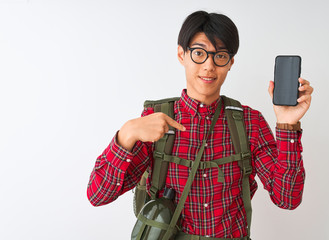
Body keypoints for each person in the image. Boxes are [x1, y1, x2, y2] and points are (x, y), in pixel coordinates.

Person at [87, 10, 313, 239]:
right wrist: (127, 134)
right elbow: (98, 195)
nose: (209, 65)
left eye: (220, 56)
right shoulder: (155, 119)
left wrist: (287, 125)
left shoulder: (249, 122)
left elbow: (287, 198)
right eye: (199, 53)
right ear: (181, 54)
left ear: (230, 62)